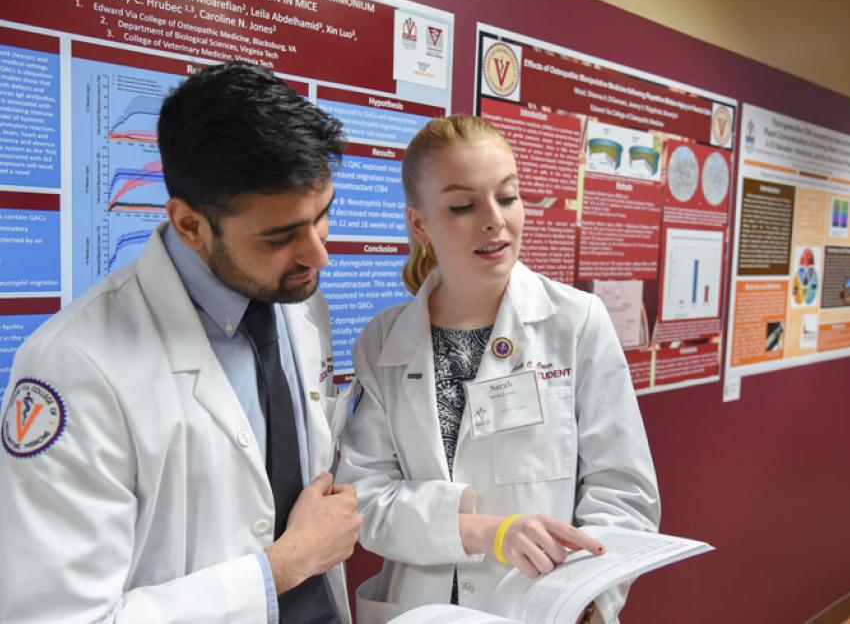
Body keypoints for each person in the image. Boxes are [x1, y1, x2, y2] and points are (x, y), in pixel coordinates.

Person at [0, 62, 361, 623]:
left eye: (322, 217)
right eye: (281, 235)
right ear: (190, 225)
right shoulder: (72, 367)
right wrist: (283, 567)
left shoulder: (299, 299)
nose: (319, 255)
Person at [337, 115, 660, 624]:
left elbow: (623, 491)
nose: (495, 221)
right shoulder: (383, 341)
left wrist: (590, 596)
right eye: (463, 206)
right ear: (420, 224)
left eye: (507, 197)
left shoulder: (574, 322)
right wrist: (484, 531)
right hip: (425, 608)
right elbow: (366, 499)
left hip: (546, 607)